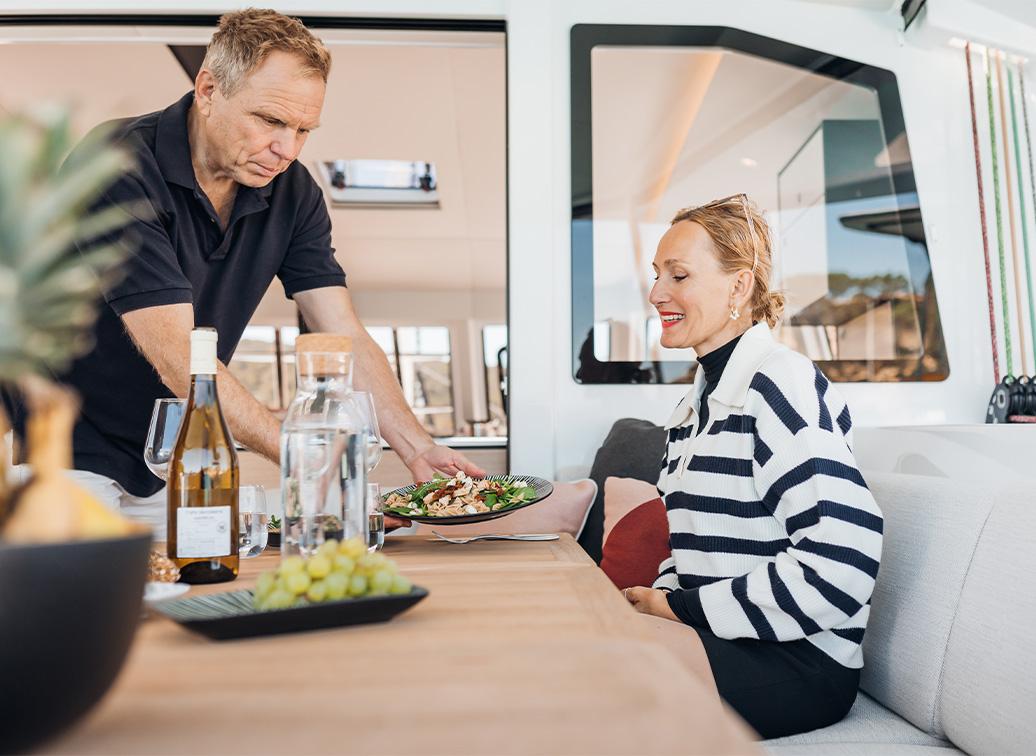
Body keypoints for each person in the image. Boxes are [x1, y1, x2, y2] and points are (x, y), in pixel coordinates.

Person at [1, 9, 483, 534]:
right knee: (88, 611)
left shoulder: (293, 194)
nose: (288, 149)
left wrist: (418, 448)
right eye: (271, 121)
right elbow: (179, 356)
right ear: (208, 89)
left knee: (193, 599)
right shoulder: (121, 164)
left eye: (303, 129)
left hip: (173, 457)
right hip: (70, 450)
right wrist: (310, 464)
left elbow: (341, 330)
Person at [623, 194, 883, 738]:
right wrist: (661, 599)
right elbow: (695, 549)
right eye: (657, 275)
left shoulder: (779, 385)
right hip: (728, 637)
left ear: (738, 287)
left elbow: (843, 562)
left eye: (679, 275)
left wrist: (679, 610)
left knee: (596, 686)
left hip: (798, 662)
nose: (656, 294)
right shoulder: (696, 405)